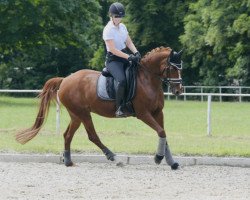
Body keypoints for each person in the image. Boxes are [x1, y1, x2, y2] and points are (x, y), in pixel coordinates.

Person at [103, 2, 141, 117]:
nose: (118, 19)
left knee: (138, 72)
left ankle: (133, 102)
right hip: (113, 60)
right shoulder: (108, 29)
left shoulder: (123, 27)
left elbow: (128, 42)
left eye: (120, 16)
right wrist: (129, 57)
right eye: (116, 16)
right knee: (122, 80)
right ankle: (119, 107)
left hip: (124, 56)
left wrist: (136, 52)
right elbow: (113, 50)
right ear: (111, 16)